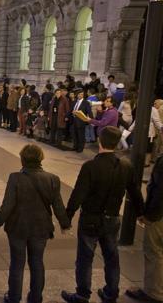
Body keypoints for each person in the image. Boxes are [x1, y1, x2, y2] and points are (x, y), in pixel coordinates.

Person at [62, 126, 145, 303]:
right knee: (111, 257)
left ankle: (82, 294)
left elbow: (78, 194)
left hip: (90, 218)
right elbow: (135, 192)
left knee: (85, 258)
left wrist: (67, 218)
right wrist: (141, 213)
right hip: (113, 218)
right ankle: (111, 292)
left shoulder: (91, 166)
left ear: (100, 140)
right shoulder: (125, 166)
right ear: (116, 144)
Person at [0, 144, 71, 303]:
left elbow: (7, 206)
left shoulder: (15, 177)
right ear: (40, 158)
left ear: (22, 159)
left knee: (17, 263)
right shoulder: (52, 179)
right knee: (37, 262)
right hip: (41, 228)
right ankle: (36, 297)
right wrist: (64, 224)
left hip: (17, 227)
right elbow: (58, 205)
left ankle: (14, 297)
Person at [126, 155, 163, 303]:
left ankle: (154, 292)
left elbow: (160, 192)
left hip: (159, 216)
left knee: (154, 251)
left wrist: (150, 215)